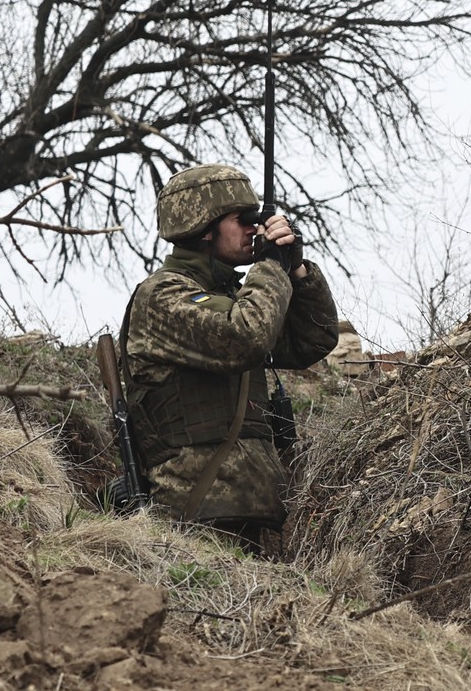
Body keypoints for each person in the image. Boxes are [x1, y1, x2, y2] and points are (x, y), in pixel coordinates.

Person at [119, 163, 338, 549]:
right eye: (243, 219)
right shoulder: (162, 297)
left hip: (250, 511)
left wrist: (297, 270)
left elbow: (314, 341)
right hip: (192, 518)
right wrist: (271, 267)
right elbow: (245, 337)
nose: (255, 228)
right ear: (204, 228)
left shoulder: (235, 298)